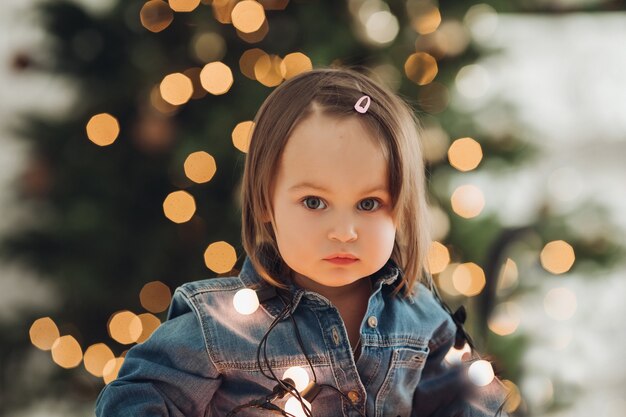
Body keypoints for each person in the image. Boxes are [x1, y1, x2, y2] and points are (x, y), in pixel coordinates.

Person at [96, 67, 509, 416]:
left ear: (401, 209)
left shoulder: (421, 318)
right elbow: (133, 399)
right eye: (314, 202)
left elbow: (471, 401)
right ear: (264, 204)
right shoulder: (220, 327)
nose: (344, 231)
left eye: (369, 203)